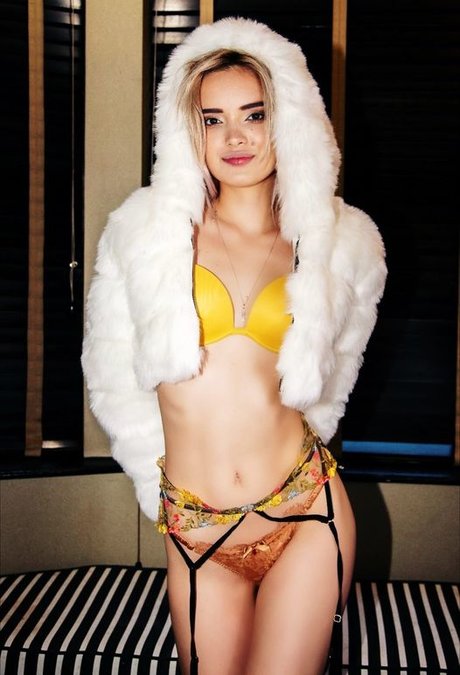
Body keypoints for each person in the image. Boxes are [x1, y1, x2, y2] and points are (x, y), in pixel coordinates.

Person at [82, 17, 387, 675]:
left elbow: (335, 377)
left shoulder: (341, 244)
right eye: (212, 119)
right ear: (187, 130)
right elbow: (112, 379)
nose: (236, 136)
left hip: (308, 514)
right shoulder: (144, 233)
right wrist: (159, 490)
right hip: (198, 532)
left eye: (255, 114)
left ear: (291, 121)